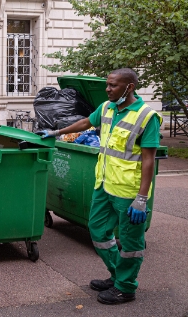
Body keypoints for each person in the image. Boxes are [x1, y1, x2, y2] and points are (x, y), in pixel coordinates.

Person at [38, 68, 162, 305]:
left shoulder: (147, 117)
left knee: (131, 243)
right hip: (104, 185)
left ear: (130, 87)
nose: (107, 89)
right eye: (107, 84)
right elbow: (86, 122)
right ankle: (117, 275)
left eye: (113, 85)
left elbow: (148, 160)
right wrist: (56, 132)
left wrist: (142, 198)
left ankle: (126, 288)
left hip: (128, 192)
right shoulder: (107, 107)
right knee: (97, 230)